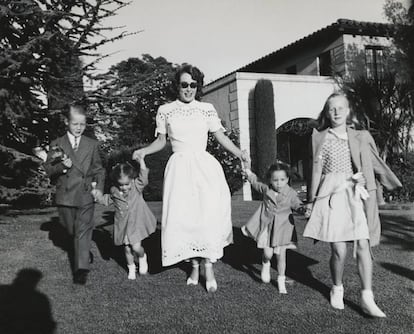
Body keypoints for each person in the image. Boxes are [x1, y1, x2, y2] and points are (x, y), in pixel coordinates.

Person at [132, 64, 248, 292]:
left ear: (198, 86)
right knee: (184, 219)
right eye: (184, 84)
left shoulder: (206, 109)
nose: (189, 89)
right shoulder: (166, 110)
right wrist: (144, 151)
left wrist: (239, 153)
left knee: (206, 217)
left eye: (193, 85)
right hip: (179, 169)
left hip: (205, 168)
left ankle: (208, 266)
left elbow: (220, 136)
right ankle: (193, 265)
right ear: (177, 86)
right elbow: (161, 141)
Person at [303, 93, 401, 317]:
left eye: (340, 108)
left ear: (348, 111)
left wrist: (381, 185)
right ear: (327, 113)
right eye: (331, 109)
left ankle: (368, 296)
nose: (336, 112)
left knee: (363, 245)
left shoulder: (361, 135)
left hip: (357, 193)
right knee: (339, 250)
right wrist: (311, 201)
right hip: (331, 193)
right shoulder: (319, 137)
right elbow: (316, 171)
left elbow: (374, 162)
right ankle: (337, 288)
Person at [44, 104, 105, 285]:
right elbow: (48, 170)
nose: (79, 128)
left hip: (85, 193)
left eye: (82, 125)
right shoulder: (57, 144)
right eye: (75, 124)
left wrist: (99, 188)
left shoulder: (92, 144)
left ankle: (81, 269)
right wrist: (63, 167)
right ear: (66, 122)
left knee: (83, 231)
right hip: (65, 196)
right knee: (71, 230)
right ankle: (82, 251)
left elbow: (99, 169)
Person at [241, 163, 304, 294]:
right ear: (270, 180)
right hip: (267, 226)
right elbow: (255, 182)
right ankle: (265, 263)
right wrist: (248, 172)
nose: (279, 183)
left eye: (282, 180)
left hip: (282, 229)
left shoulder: (290, 193)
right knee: (268, 253)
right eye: (275, 180)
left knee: (281, 256)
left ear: (287, 179)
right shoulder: (266, 189)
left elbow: (297, 204)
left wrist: (302, 209)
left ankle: (281, 280)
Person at [92, 157, 157, 280]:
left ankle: (142, 257)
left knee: (136, 247)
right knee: (127, 249)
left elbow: (143, 178)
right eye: (120, 185)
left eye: (127, 184)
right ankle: (131, 268)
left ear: (132, 180)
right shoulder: (114, 191)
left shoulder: (136, 186)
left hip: (136, 223)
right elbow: (107, 200)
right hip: (122, 225)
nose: (124, 187)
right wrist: (97, 196)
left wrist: (141, 161)